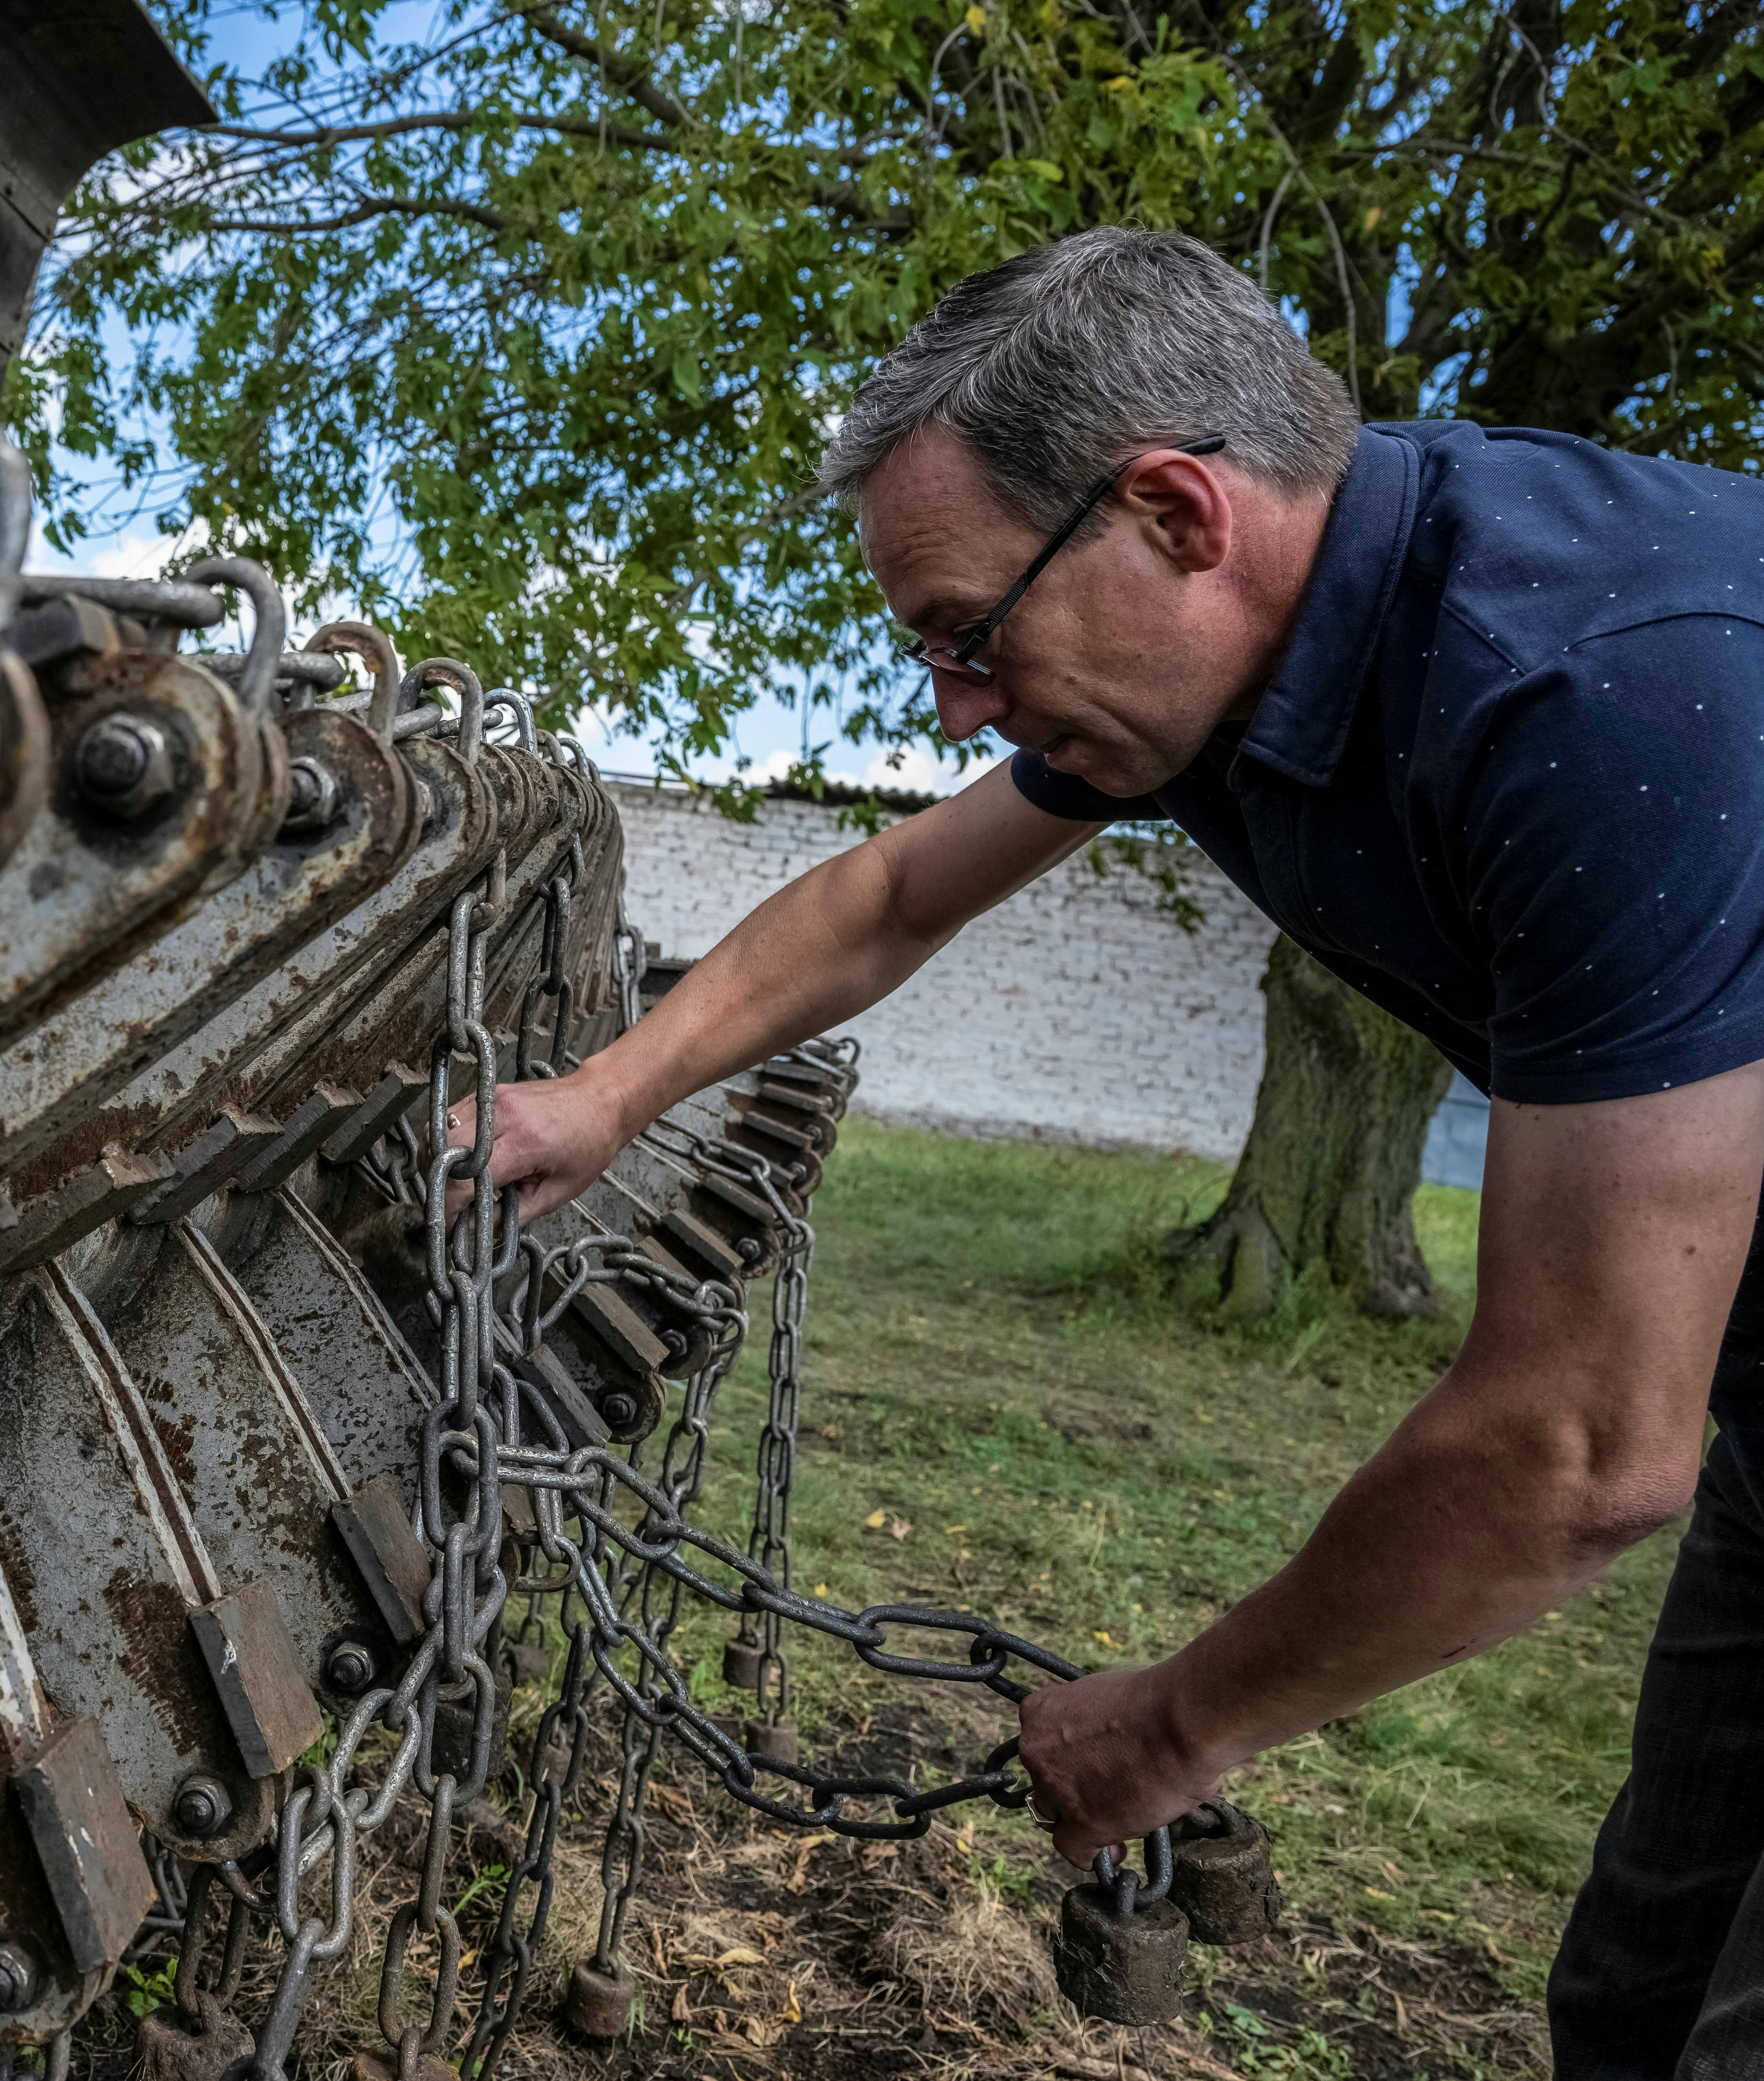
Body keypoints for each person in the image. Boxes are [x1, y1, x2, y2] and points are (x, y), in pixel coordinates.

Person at [463, 226, 1764, 2077]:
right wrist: (607, 1095)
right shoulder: (1225, 681)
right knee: (1633, 2012)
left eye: (969, 634)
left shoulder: (1594, 697)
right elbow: (898, 890)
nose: (957, 708)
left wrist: (1174, 1729)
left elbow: (1583, 1442)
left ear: (1172, 511)